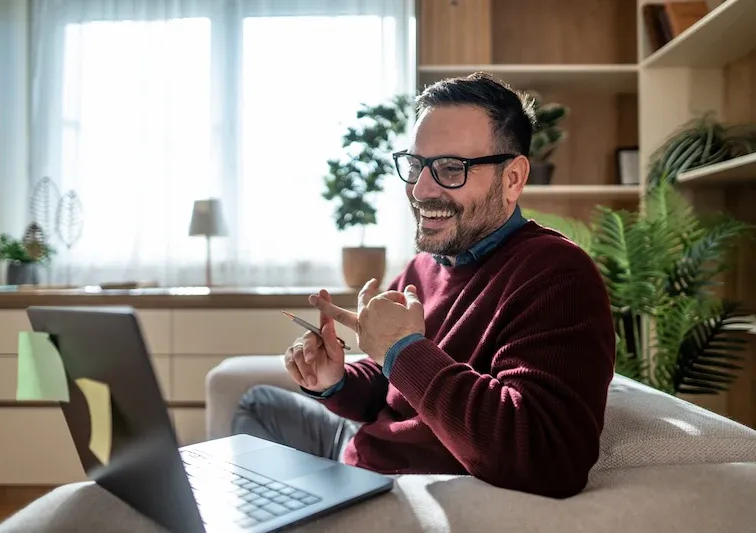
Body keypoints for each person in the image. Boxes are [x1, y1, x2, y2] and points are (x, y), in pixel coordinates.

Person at [231, 72, 616, 499]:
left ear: (512, 179)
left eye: (451, 168)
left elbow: (548, 459)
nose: (419, 189)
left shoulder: (556, 275)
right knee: (258, 403)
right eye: (416, 166)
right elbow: (389, 387)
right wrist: (335, 380)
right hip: (362, 452)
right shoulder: (423, 267)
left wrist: (402, 349)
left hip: (399, 486)